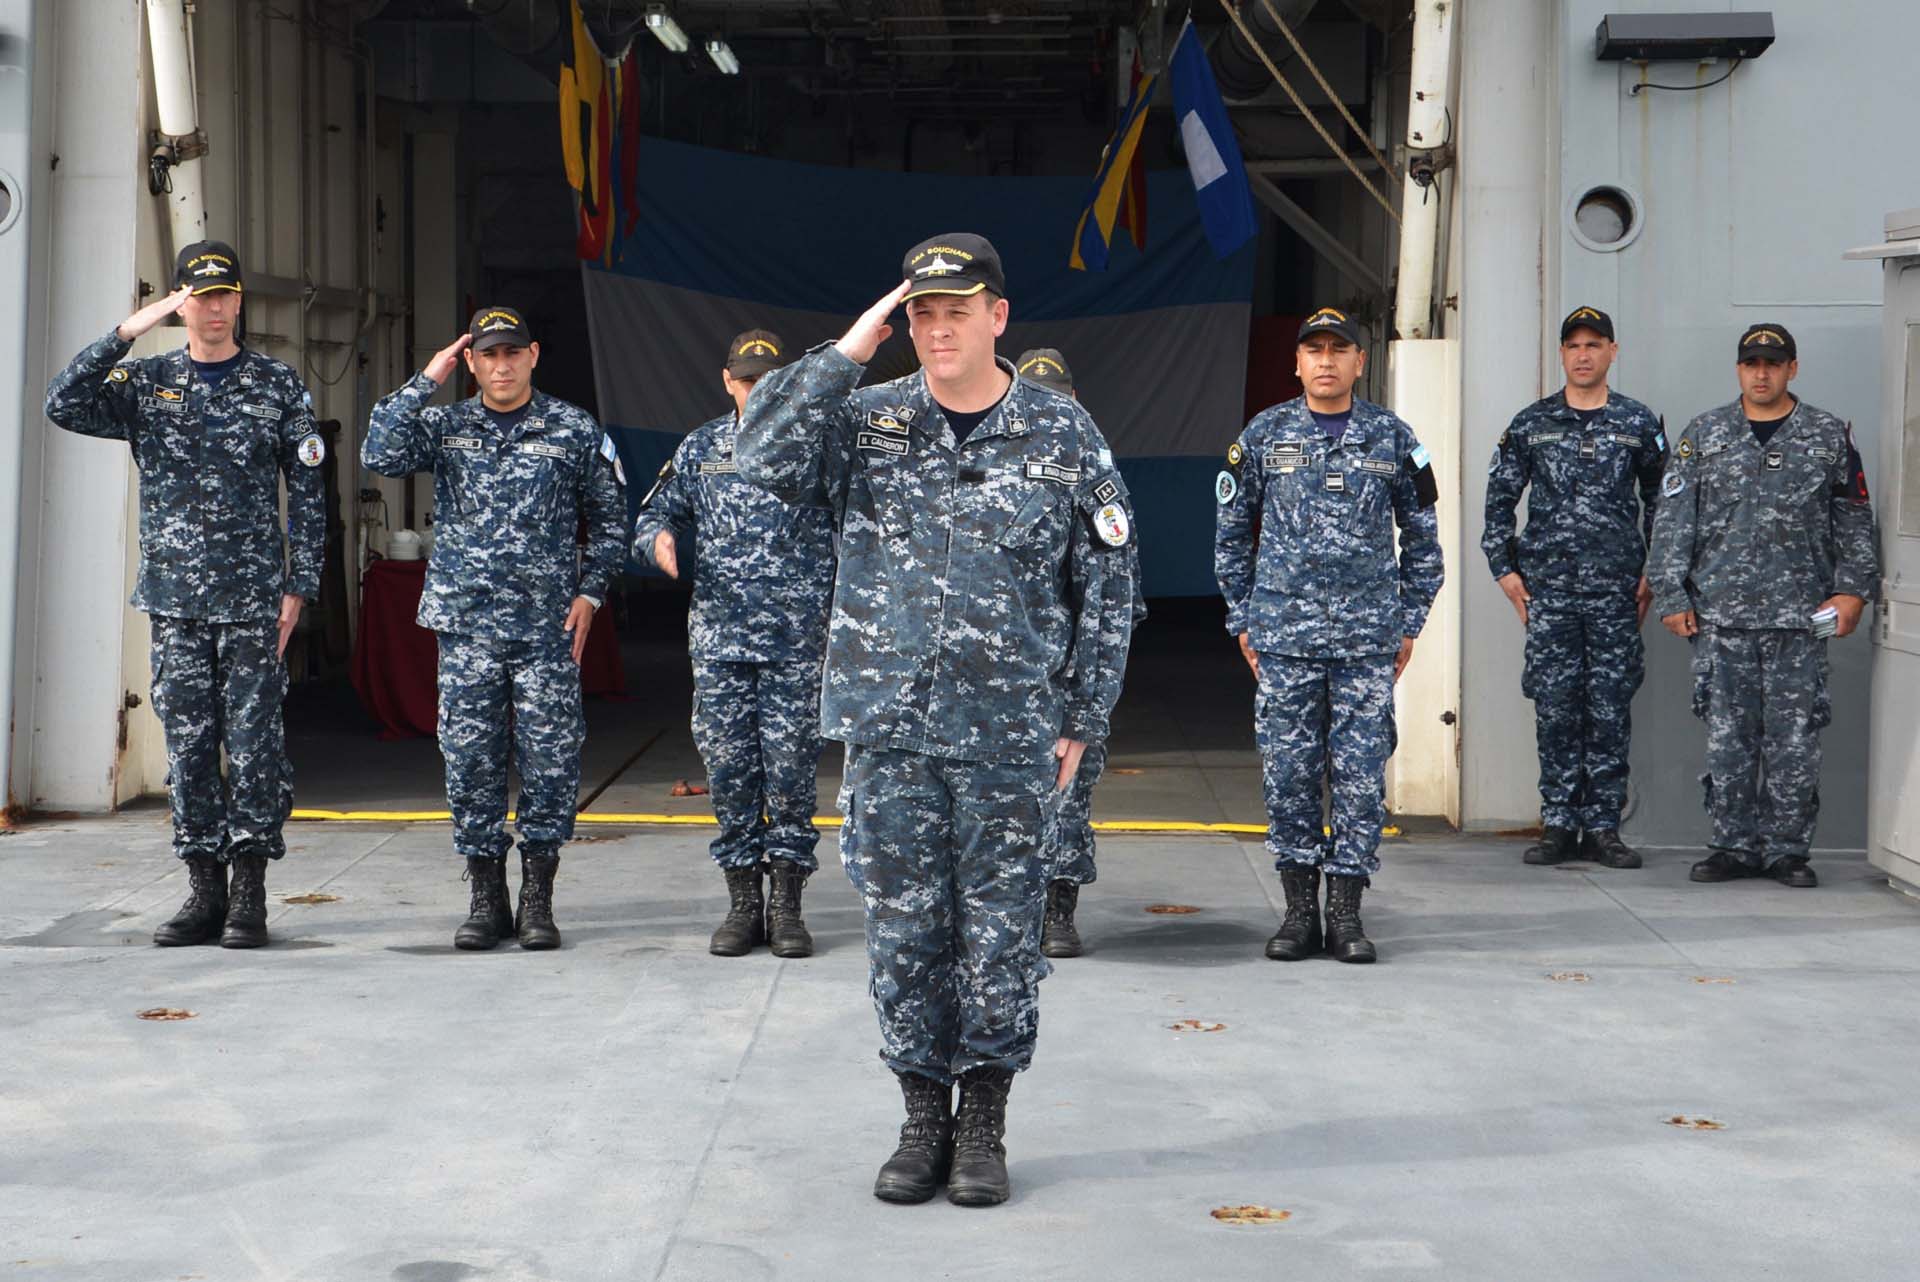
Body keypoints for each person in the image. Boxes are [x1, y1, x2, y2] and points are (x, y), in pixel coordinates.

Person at [736, 235, 1137, 1208]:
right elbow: (756, 454)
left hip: (1008, 734)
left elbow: (1110, 581)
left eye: (957, 310)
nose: (937, 327)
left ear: (1000, 316)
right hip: (890, 727)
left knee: (999, 933)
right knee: (905, 929)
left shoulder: (1061, 433)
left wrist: (1082, 712)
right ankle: (923, 1118)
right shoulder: (868, 419)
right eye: (921, 311)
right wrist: (846, 352)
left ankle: (986, 1122)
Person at [44, 240, 325, 950]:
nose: (214, 308)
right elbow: (63, 402)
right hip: (175, 601)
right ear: (180, 302)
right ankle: (204, 890)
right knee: (191, 750)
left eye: (225, 294)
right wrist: (128, 331)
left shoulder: (276, 384)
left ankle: (250, 894)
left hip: (255, 600)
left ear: (239, 301)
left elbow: (309, 492)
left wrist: (301, 585)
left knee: (256, 749)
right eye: (199, 296)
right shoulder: (148, 381)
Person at [363, 306, 626, 947]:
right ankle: (486, 898)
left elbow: (614, 517)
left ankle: (537, 900)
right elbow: (380, 451)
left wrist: (591, 594)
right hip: (469, 627)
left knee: (550, 762)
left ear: (533, 355)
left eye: (512, 353)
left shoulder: (571, 429)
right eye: (488, 355)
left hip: (545, 630)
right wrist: (428, 378)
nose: (501, 365)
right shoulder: (447, 427)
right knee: (472, 762)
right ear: (471, 362)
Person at [1214, 306, 1443, 964]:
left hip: (1367, 643)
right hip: (1284, 639)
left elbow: (1425, 541)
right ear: (1297, 362)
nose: (1325, 360)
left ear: (1358, 362)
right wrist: (1242, 618)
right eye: (1312, 349)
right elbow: (1231, 534)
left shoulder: (1395, 439)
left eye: (1338, 350)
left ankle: (1345, 914)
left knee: (1360, 780)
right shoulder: (1262, 436)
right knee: (1288, 777)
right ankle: (1296, 914)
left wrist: (1409, 622)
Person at [1646, 323, 1879, 888]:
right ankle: (1731, 845)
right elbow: (1673, 519)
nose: (1762, 373)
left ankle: (1786, 850)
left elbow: (1853, 519)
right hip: (1721, 617)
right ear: (1738, 369)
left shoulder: (1827, 436)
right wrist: (1671, 593)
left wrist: (1852, 591)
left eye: (1773, 363)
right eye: (1751, 363)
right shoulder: (1705, 434)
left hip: (1800, 619)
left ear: (1792, 368)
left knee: (1794, 740)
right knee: (1727, 738)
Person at [632, 330, 835, 958]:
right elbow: (651, 514)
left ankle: (789, 906)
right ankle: (744, 902)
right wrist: (659, 541)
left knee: (792, 774)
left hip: (796, 642)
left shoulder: (817, 446)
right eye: (747, 381)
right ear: (728, 382)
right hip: (721, 641)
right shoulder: (703, 447)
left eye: (770, 381)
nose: (757, 391)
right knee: (730, 771)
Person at [1482, 307, 1668, 869]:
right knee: (1556, 707)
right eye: (1573, 345)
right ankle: (1560, 822)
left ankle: (1605, 827)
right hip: (1552, 592)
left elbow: (1666, 501)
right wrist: (1504, 568)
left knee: (1610, 706)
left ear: (1614, 351)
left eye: (1594, 344)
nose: (1583, 354)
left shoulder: (1638, 423)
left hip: (1615, 591)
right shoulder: (1532, 423)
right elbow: (1498, 500)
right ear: (1561, 355)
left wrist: (1653, 570)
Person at [1013, 347, 1144, 959]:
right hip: (1005, 675)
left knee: (1068, 794)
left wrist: (1091, 700)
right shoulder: (993, 472)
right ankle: (1010, 909)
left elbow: (1117, 598)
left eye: (1057, 398)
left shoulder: (1096, 478)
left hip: (1069, 674)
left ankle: (1058, 909)